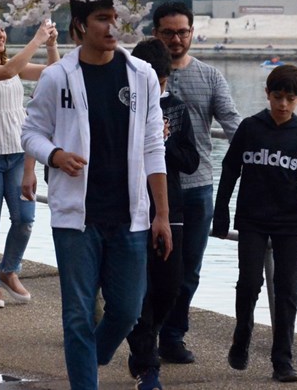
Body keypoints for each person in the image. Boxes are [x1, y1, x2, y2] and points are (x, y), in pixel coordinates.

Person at [21, 0, 172, 390]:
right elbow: (31, 132)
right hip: (77, 217)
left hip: (130, 216)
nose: (111, 26)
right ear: (81, 26)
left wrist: (161, 215)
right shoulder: (58, 77)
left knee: (125, 310)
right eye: (102, 18)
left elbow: (153, 146)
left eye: (115, 16)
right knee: (77, 315)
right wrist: (54, 155)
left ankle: (94, 352)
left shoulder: (141, 76)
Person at [212, 64, 297, 383]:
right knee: (249, 282)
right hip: (251, 218)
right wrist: (220, 214)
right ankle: (242, 334)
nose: (283, 105)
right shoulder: (250, 128)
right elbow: (230, 169)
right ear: (268, 94)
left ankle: (283, 360)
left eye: (290, 98)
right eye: (277, 97)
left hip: (288, 222)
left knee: (287, 289)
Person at [151, 1, 241, 363]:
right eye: (169, 32)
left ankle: (173, 336)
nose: (176, 39)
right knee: (147, 266)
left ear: (192, 32)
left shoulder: (210, 76)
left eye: (183, 32)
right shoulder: (138, 74)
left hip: (197, 186)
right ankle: (146, 333)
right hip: (149, 186)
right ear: (156, 33)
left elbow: (232, 122)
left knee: (189, 270)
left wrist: (263, 147)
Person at [0, 12, 58, 309]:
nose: (1, 34)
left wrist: (51, 44)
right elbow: (6, 74)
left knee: (25, 218)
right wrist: (36, 39)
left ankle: (9, 269)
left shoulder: (12, 66)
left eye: (3, 29)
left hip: (18, 153)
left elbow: (52, 74)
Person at [123, 38, 199, 390]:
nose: (157, 87)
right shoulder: (122, 104)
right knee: (136, 288)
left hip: (170, 206)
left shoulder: (178, 109)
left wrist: (163, 143)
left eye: (163, 82)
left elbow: (191, 160)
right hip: (128, 206)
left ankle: (147, 338)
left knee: (170, 285)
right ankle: (146, 364)